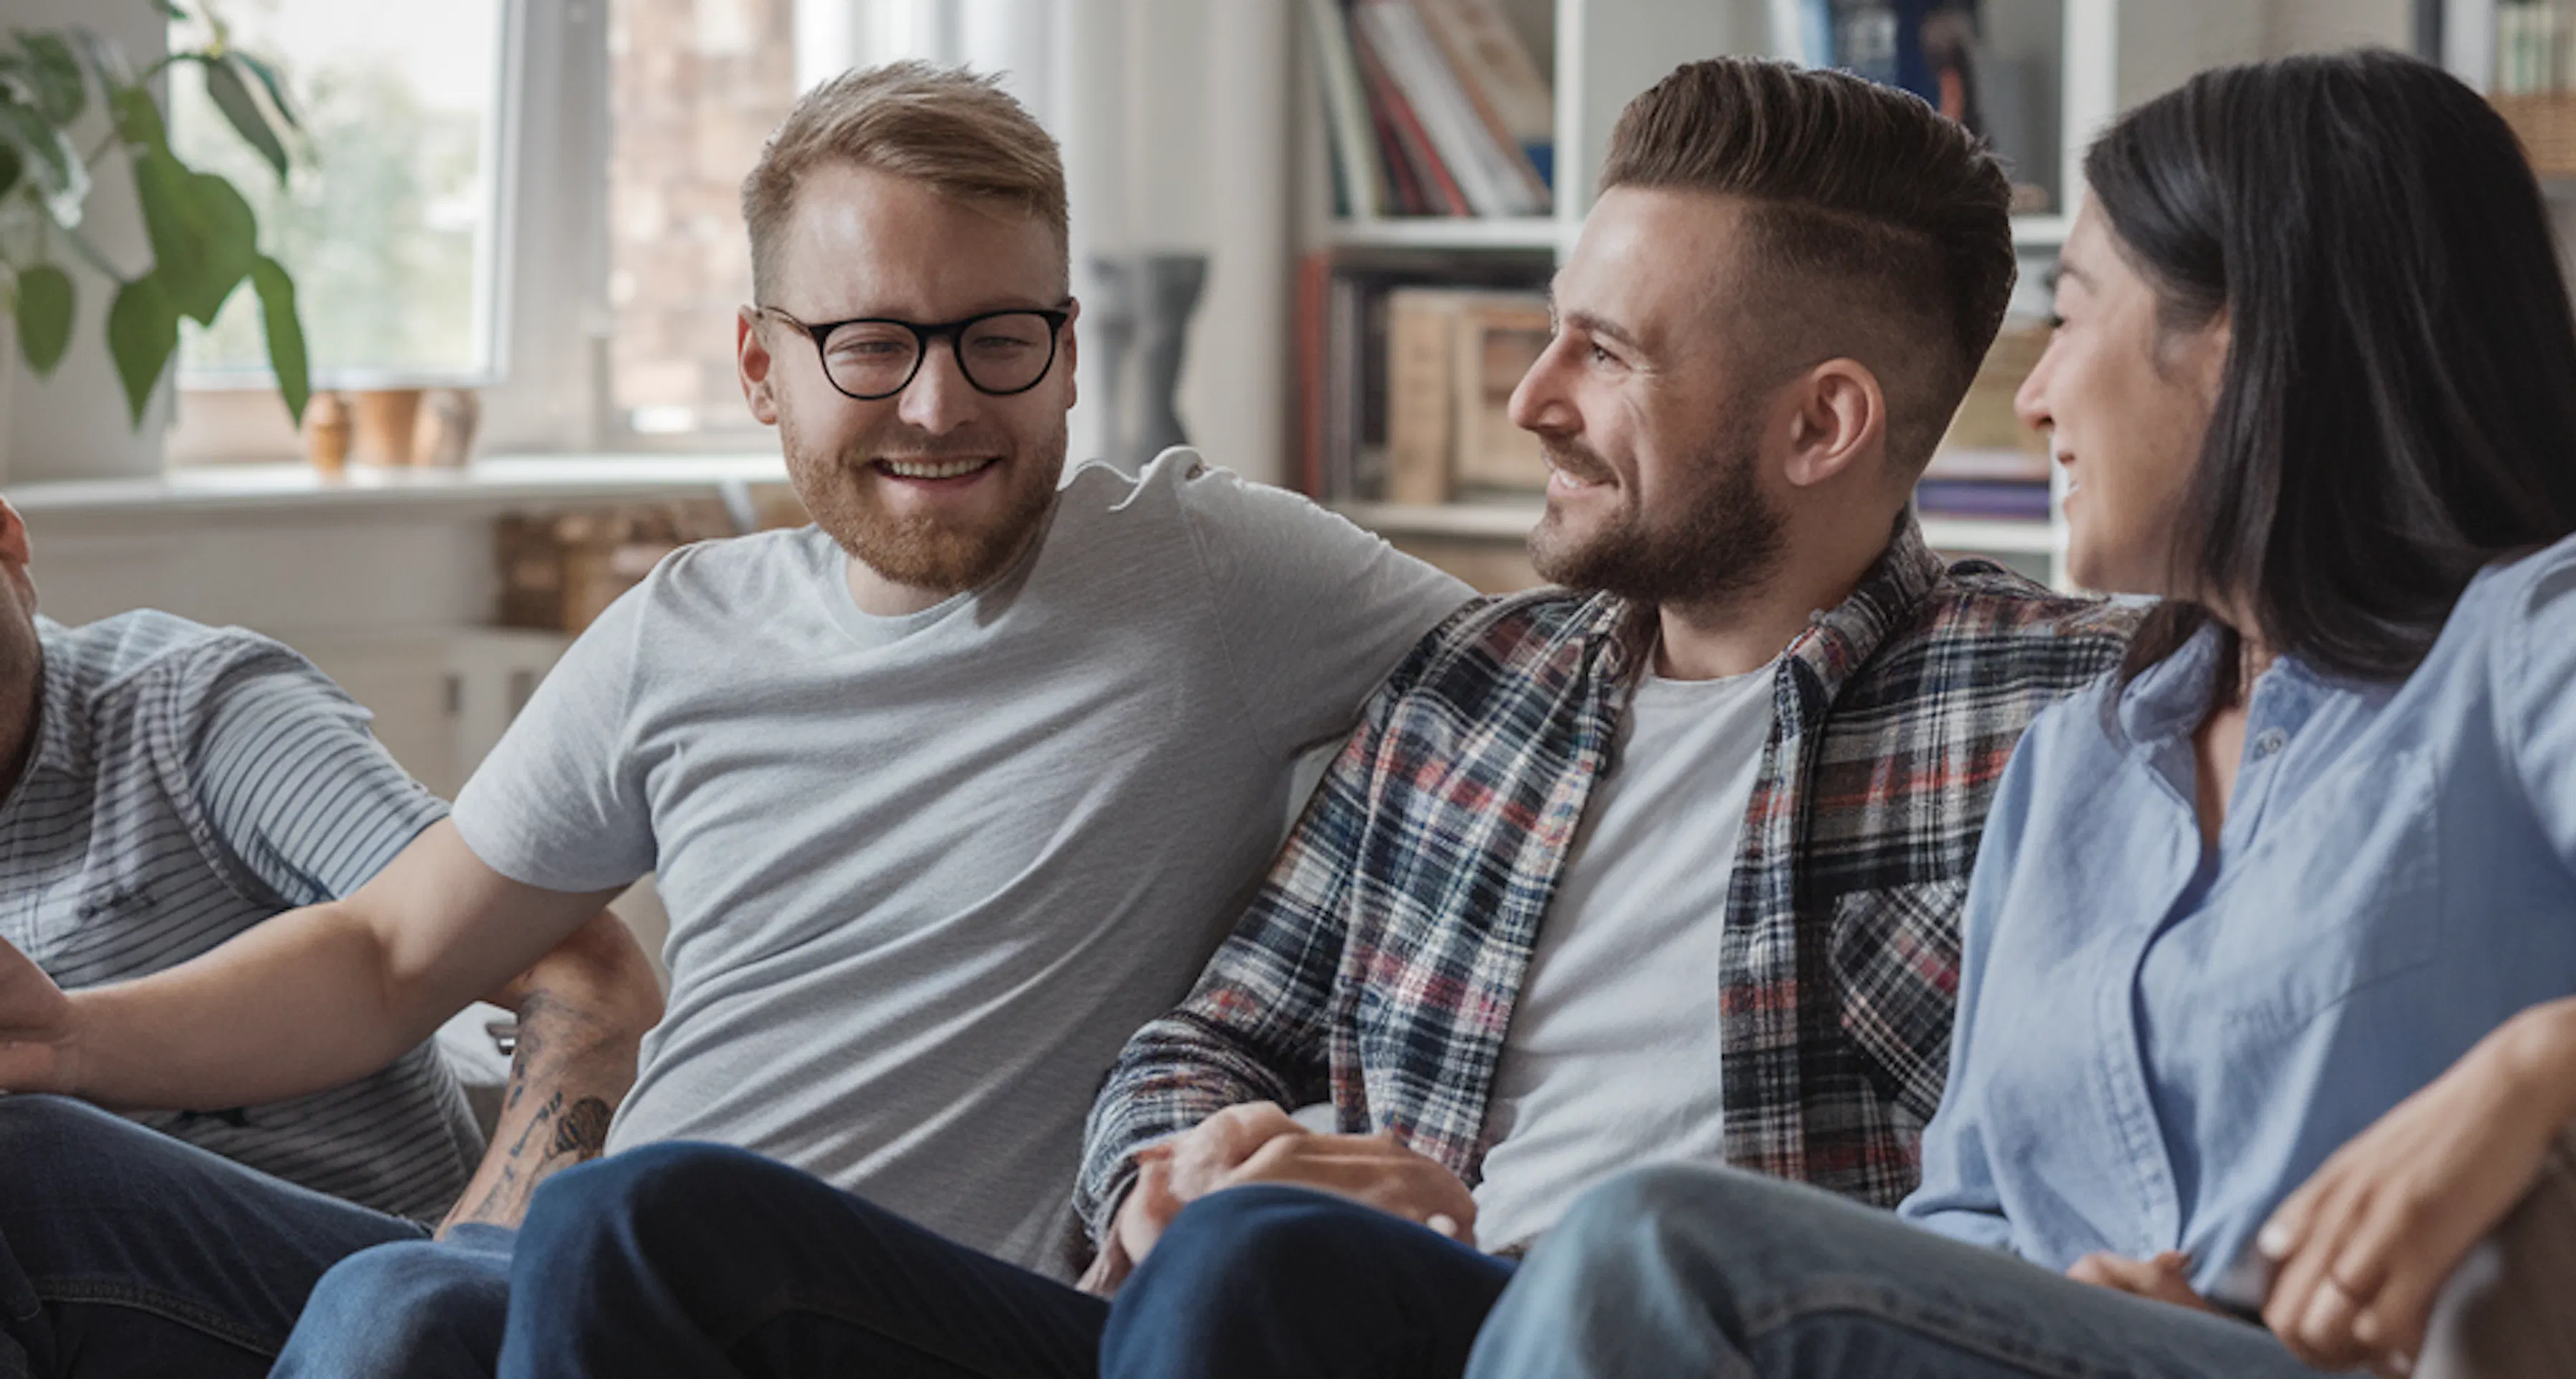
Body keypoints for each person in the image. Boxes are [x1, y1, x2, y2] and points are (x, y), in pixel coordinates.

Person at [483, 58, 2136, 1379]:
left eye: (1605, 355)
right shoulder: (1473, 691)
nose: (1528, 396)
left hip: (1631, 1326)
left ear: (1821, 423)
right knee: (634, 1222)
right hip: (1284, 1301)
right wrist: (1193, 1161)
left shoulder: (2065, 715)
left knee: (1264, 1265)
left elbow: (2147, 1131)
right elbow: (1204, 1042)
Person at [0, 60, 1470, 1379]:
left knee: (571, 1246)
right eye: (872, 344)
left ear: (1070, 352)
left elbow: (1577, 674)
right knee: (275, 1256)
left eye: (998, 338)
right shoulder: (682, 634)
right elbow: (391, 955)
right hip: (596, 1271)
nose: (942, 403)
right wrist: (65, 1040)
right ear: (763, 367)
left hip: (890, 1309)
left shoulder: (1215, 577)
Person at [1462, 48, 2576, 1379]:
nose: (2033, 398)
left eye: (2072, 321)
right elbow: (1964, 1213)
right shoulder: (2080, 759)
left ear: (2242, 344)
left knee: (1655, 1244)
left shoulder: (2542, 632)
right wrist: (2070, 1301)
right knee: (1300, 1257)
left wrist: (2539, 1071)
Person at [0, 489, 665, 1377]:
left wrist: (479, 1279)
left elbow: (586, 970)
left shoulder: (190, 712)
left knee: (23, 1162)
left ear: (7, 536)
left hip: (351, 1295)